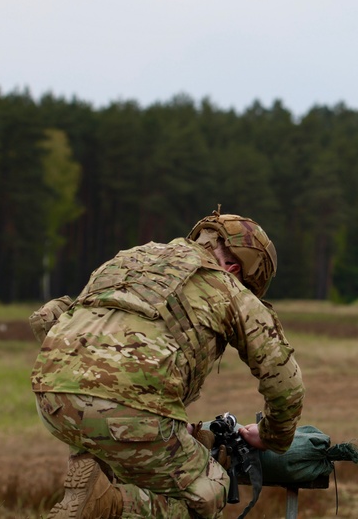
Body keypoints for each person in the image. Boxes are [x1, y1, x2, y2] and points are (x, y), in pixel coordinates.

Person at [30, 210, 305, 519]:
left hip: (52, 398)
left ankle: (98, 489)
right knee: (210, 492)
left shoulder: (131, 259)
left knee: (126, 464)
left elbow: (52, 317)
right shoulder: (228, 286)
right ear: (235, 269)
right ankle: (108, 505)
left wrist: (173, 427)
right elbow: (285, 382)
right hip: (126, 412)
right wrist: (271, 436)